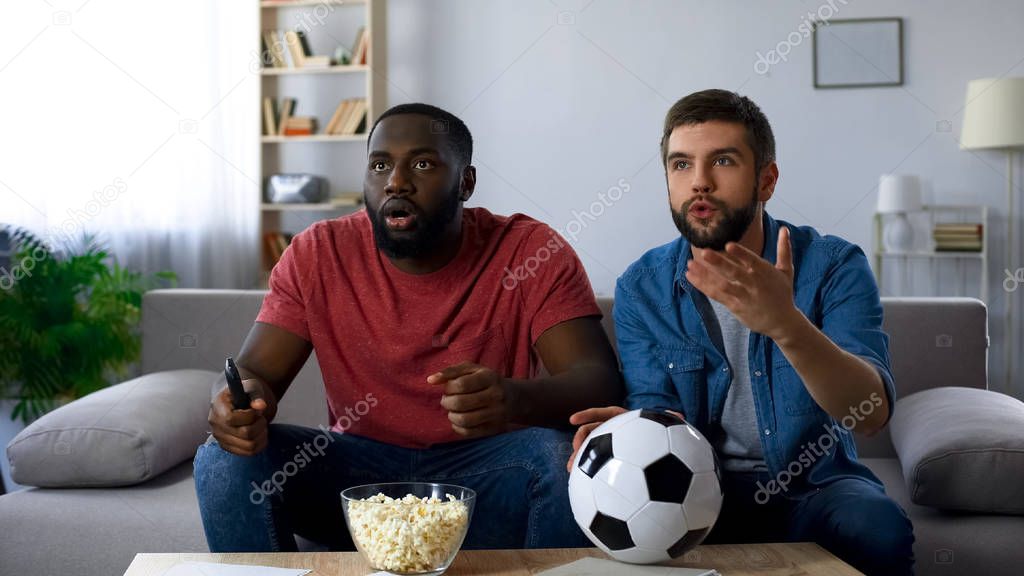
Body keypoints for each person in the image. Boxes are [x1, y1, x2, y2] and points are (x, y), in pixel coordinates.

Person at [195, 103, 622, 551]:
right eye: (380, 165)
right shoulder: (317, 253)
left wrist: (515, 397)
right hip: (355, 486)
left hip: (485, 481)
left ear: (466, 183)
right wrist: (233, 406)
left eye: (422, 164)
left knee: (563, 458)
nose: (396, 182)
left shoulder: (530, 251)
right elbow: (252, 376)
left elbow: (598, 382)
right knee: (222, 458)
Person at [568, 89, 915, 575]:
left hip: (814, 489)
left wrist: (786, 325)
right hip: (695, 497)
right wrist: (629, 429)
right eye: (681, 164)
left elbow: (870, 413)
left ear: (766, 179)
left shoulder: (835, 266)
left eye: (723, 161)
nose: (700, 183)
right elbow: (660, 407)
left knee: (875, 525)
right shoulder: (642, 286)